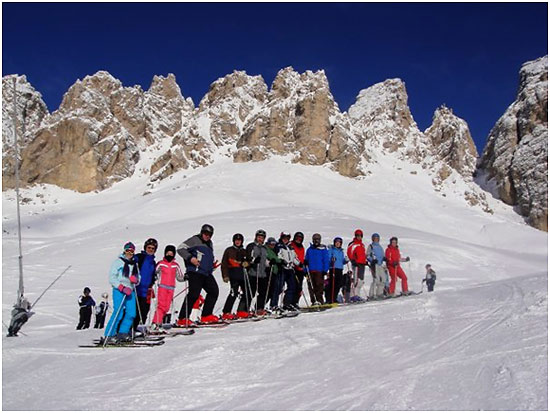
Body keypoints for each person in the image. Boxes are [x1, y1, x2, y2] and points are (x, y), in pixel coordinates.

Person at [176, 224, 220, 326]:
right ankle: (182, 318)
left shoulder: (209, 243)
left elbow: (204, 257)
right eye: (205, 233)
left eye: (210, 234)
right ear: (201, 232)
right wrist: (191, 258)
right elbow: (180, 248)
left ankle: (206, 315)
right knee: (194, 294)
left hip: (206, 272)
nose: (207, 236)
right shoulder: (194, 240)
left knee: (214, 291)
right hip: (195, 271)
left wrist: (211, 266)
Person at [102, 242, 140, 343]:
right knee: (118, 312)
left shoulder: (134, 263)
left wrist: (136, 280)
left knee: (131, 313)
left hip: (130, 290)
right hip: (120, 290)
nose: (130, 253)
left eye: (132, 251)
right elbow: (112, 277)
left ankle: (123, 332)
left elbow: (138, 277)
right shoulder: (118, 262)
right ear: (124, 251)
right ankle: (109, 334)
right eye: (128, 250)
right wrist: (121, 287)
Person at [151, 245, 184, 331]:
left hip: (171, 288)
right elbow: (155, 271)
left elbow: (179, 277)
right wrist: (154, 275)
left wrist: (186, 277)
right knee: (161, 306)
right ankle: (155, 323)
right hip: (162, 287)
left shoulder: (175, 265)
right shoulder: (161, 263)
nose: (169, 255)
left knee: (166, 307)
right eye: (168, 253)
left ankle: (159, 322)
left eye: (171, 254)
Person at [221, 234, 252, 320]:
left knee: (247, 293)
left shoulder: (244, 251)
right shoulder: (229, 250)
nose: (238, 242)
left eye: (239, 240)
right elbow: (224, 264)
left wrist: (247, 264)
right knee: (233, 293)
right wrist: (225, 276)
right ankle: (226, 312)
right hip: (233, 274)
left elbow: (249, 261)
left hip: (243, 275)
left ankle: (242, 311)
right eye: (236, 240)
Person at [133, 238, 158, 331]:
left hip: (146, 291)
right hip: (137, 289)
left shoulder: (153, 262)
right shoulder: (140, 257)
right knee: (134, 311)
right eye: (149, 247)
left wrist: (153, 280)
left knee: (144, 311)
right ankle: (128, 330)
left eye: (153, 248)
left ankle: (136, 329)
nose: (150, 250)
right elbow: (131, 262)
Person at [246, 229, 269, 316]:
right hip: (253, 273)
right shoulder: (251, 246)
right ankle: (245, 310)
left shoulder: (264, 248)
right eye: (259, 237)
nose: (260, 239)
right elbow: (248, 257)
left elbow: (265, 260)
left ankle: (259, 308)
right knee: (251, 292)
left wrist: (270, 263)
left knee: (262, 293)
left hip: (262, 274)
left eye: (262, 238)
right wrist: (254, 260)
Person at [275, 232, 299, 311]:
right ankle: (274, 305)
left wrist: (300, 263)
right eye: (284, 238)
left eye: (287, 238)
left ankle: (287, 304)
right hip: (282, 268)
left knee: (292, 286)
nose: (285, 239)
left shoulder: (290, 247)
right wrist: (282, 261)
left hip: (290, 269)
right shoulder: (279, 246)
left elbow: (294, 257)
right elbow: (278, 255)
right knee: (279, 287)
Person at [304, 233, 329, 305]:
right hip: (310, 271)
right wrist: (305, 270)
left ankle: (320, 300)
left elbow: (326, 260)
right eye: (315, 240)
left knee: (319, 286)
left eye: (317, 239)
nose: (316, 241)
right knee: (311, 287)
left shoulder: (323, 249)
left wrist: (325, 270)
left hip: (319, 270)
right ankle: (314, 301)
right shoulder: (310, 249)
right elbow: (306, 259)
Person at [325, 237, 348, 304]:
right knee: (332, 284)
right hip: (333, 268)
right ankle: (330, 299)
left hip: (340, 269)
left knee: (338, 284)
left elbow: (341, 261)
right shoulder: (331, 250)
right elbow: (328, 258)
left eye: (339, 242)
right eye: (336, 242)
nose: (338, 244)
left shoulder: (341, 251)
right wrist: (331, 261)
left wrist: (345, 261)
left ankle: (334, 298)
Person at [347, 229, 367, 301]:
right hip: (356, 264)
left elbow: (363, 255)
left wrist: (365, 261)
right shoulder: (353, 244)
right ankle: (353, 295)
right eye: (357, 235)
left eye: (360, 236)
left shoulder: (362, 245)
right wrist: (353, 260)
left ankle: (357, 295)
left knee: (361, 280)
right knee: (356, 280)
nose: (359, 237)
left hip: (362, 264)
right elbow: (349, 252)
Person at [265, 237, 283, 312]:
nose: (272, 245)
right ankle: (270, 305)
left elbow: (276, 258)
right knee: (271, 290)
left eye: (274, 244)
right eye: (271, 244)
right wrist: (277, 261)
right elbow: (270, 258)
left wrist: (279, 261)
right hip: (269, 271)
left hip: (275, 270)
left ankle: (273, 305)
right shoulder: (266, 249)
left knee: (277, 289)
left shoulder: (274, 250)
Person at [367, 233, 386, 300]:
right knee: (376, 280)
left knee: (383, 279)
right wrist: (372, 260)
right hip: (374, 265)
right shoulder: (371, 246)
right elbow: (367, 255)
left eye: (377, 238)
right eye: (375, 238)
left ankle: (379, 293)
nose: (376, 239)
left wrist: (384, 258)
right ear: (373, 239)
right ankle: (372, 294)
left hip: (380, 264)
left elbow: (383, 255)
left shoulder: (380, 247)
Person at [290, 231, 306, 309]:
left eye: (300, 238)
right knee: (293, 286)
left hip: (300, 269)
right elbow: (292, 256)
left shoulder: (302, 247)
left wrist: (304, 262)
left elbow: (302, 256)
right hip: (293, 268)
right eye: (297, 238)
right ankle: (290, 302)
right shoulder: (291, 245)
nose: (298, 240)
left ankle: (295, 302)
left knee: (299, 287)